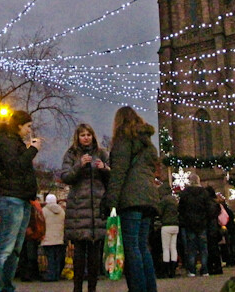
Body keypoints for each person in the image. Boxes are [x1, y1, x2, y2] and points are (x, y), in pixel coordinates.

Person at [102, 106, 159, 292]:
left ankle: (138, 288)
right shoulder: (147, 144)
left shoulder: (123, 140)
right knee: (143, 246)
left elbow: (119, 173)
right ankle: (150, 288)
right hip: (149, 199)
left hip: (131, 199)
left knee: (132, 247)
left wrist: (111, 202)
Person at [0, 110, 42, 292]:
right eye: (28, 126)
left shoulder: (14, 143)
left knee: (15, 248)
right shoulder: (7, 142)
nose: (29, 130)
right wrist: (32, 150)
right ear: (19, 125)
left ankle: (5, 285)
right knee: (6, 247)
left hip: (21, 198)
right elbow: (15, 167)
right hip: (12, 198)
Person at [61, 123, 110, 292]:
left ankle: (92, 287)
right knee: (79, 252)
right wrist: (79, 165)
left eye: (88, 134)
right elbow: (65, 176)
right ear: (78, 137)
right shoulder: (71, 154)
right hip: (78, 208)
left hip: (96, 207)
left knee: (95, 252)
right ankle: (77, 287)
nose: (86, 138)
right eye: (83, 135)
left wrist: (104, 169)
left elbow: (112, 177)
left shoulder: (102, 153)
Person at [178, 173, 210, 277]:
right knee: (203, 248)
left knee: (191, 248)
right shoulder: (205, 193)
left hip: (189, 224)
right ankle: (205, 270)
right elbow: (208, 208)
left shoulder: (185, 194)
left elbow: (181, 209)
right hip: (202, 224)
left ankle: (191, 270)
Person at [40, 194, 65, 282]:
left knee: (50, 257)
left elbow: (41, 224)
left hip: (48, 238)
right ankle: (56, 274)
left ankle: (50, 275)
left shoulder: (44, 211)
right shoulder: (61, 211)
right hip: (59, 238)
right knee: (57, 257)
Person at [157, 185, 179, 278]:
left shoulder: (163, 201)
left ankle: (166, 270)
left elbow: (159, 212)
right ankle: (173, 270)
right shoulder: (174, 200)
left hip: (166, 225)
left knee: (166, 248)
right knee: (173, 248)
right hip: (175, 225)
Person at [205, 186, 223, 275]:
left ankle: (212, 267)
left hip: (210, 228)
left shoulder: (209, 204)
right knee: (214, 248)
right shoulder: (215, 203)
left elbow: (210, 214)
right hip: (215, 227)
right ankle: (216, 266)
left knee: (211, 248)